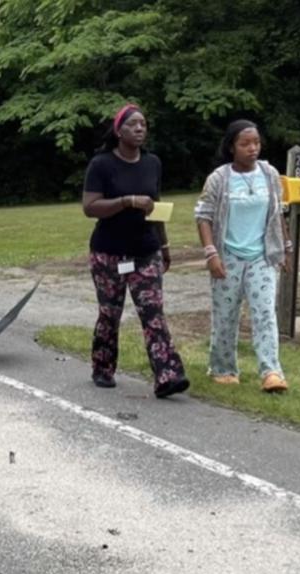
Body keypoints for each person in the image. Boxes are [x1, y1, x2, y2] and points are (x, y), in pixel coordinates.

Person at [81, 104, 189, 398]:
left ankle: (168, 374)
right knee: (109, 313)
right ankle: (102, 367)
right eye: (133, 124)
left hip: (145, 251)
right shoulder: (101, 164)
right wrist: (126, 201)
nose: (140, 128)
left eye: (144, 124)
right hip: (109, 253)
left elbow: (156, 207)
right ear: (119, 131)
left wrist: (164, 245)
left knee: (153, 313)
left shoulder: (152, 163)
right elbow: (90, 207)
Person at [195, 120, 292, 393]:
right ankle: (223, 369)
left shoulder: (270, 174)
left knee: (264, 314)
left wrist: (285, 247)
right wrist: (211, 254)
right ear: (231, 147)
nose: (252, 149)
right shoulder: (219, 178)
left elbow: (277, 213)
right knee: (226, 315)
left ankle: (271, 372)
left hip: (262, 256)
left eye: (256, 143)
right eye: (245, 144)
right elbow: (203, 217)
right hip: (228, 256)